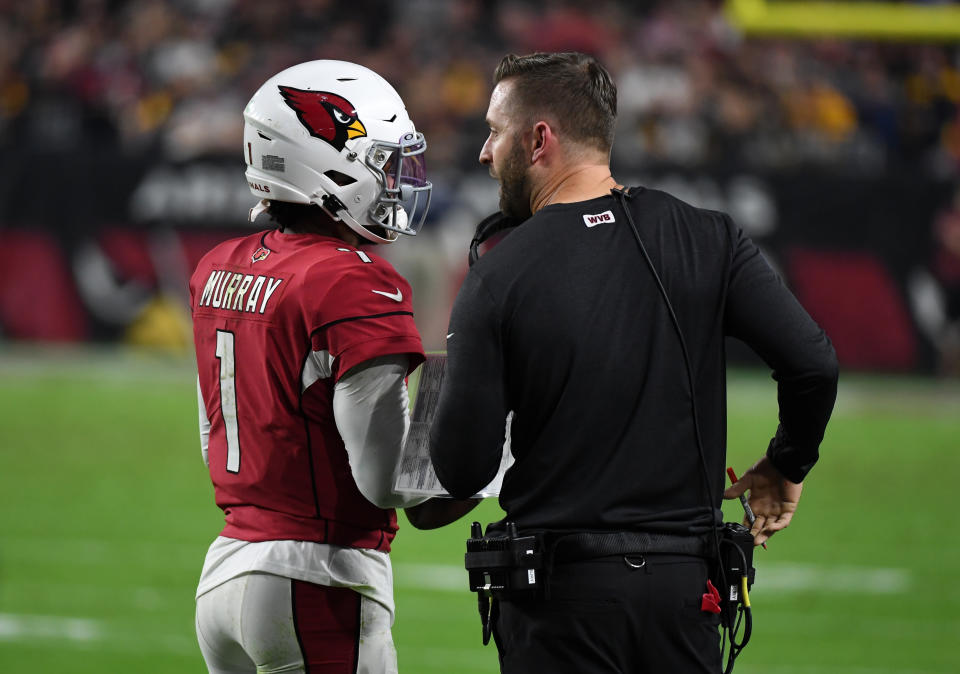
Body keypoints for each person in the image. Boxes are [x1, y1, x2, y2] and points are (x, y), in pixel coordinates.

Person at [429, 52, 839, 673]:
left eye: (494, 131)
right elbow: (813, 364)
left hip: (559, 600)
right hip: (687, 596)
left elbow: (460, 469)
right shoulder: (710, 237)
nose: (485, 152)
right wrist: (787, 462)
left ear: (540, 139)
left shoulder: (499, 272)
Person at [189, 59, 474, 674]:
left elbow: (212, 433)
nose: (396, 182)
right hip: (316, 577)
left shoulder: (219, 265)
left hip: (226, 570)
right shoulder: (351, 279)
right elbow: (389, 483)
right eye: (383, 163)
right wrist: (495, 434)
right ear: (322, 163)